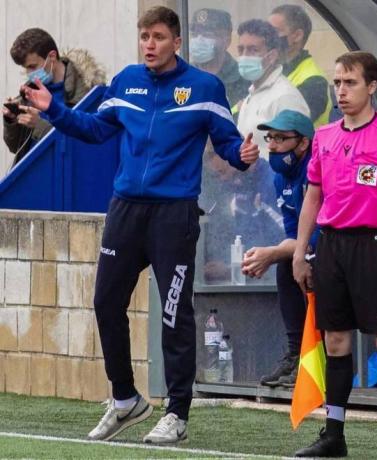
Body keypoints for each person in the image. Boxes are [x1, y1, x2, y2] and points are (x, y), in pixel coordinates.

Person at [22, 6, 258, 444]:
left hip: (174, 216)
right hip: (126, 210)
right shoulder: (126, 80)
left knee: (174, 313)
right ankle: (125, 398)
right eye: (144, 36)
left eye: (158, 37)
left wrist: (241, 156)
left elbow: (227, 143)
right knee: (105, 302)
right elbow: (93, 129)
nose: (149, 44)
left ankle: (178, 413)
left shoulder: (204, 87)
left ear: (177, 42)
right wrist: (53, 108)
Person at [292, 51, 377, 459]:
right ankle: (334, 434)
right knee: (336, 340)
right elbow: (313, 196)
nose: (342, 91)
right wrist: (300, 251)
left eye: (350, 83)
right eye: (338, 83)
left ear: (372, 87)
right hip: (331, 247)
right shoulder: (325, 137)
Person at [241, 109, 315, 387]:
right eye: (269, 137)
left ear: (303, 142)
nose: (271, 145)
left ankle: (316, 359)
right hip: (311, 248)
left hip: (343, 250)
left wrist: (272, 253)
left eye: (280, 138)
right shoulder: (280, 176)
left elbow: (317, 237)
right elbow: (294, 234)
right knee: (287, 262)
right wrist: (268, 254)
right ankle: (296, 355)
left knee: (295, 260)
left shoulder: (314, 169)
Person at [2, 28, 106, 167]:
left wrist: (38, 124)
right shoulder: (29, 93)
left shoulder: (87, 92)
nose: (29, 73)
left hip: (67, 179)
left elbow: (81, 144)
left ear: (51, 57)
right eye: (26, 68)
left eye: (33, 66)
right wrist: (12, 121)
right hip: (33, 177)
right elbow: (15, 147)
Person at [200, 153, 282, 283]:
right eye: (217, 176)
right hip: (251, 279)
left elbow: (284, 244)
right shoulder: (238, 187)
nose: (223, 179)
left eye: (222, 172)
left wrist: (230, 270)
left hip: (274, 284)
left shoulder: (271, 184)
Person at [235, 19, 309, 158]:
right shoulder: (253, 93)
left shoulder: (285, 97)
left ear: (272, 56)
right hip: (250, 177)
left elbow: (298, 153)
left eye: (253, 50)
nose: (245, 56)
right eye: (241, 49)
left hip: (274, 178)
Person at [268, 4, 332, 127]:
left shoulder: (314, 81)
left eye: (274, 32)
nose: (266, 37)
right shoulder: (272, 70)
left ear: (297, 35)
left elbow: (282, 125)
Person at [189, 8, 250, 108]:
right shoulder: (182, 75)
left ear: (226, 40)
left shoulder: (243, 78)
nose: (199, 39)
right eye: (194, 34)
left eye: (207, 34)